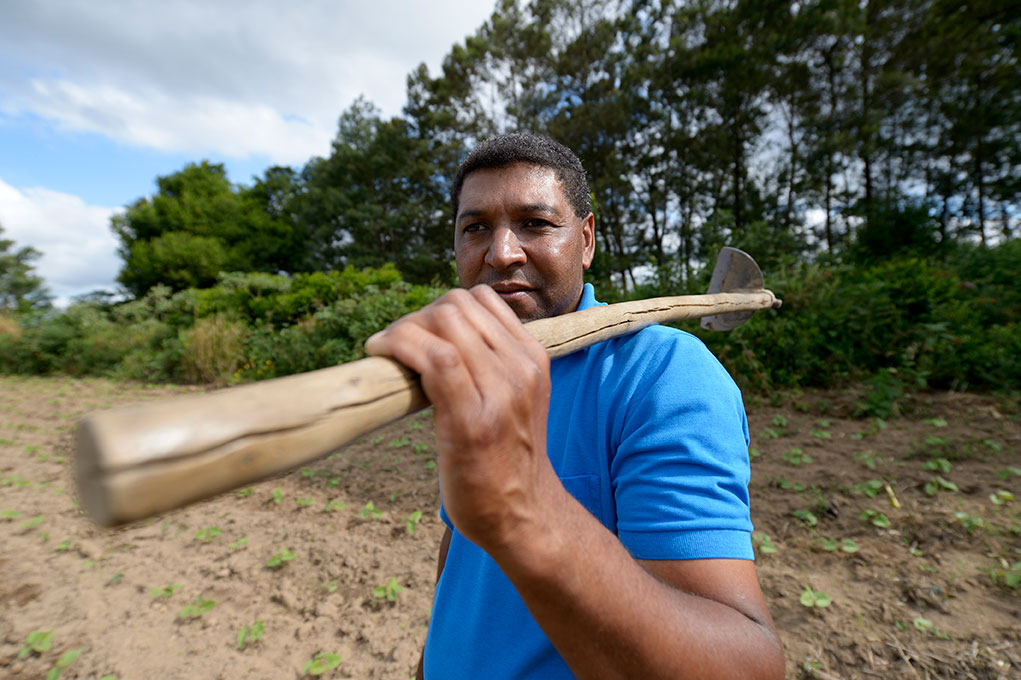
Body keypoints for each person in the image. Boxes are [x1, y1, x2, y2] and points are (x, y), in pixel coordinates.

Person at [365, 133, 784, 679]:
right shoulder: (475, 368)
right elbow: (464, 553)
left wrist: (526, 507)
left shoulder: (662, 375)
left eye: (535, 223)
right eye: (475, 228)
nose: (501, 252)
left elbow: (746, 667)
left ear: (585, 239)